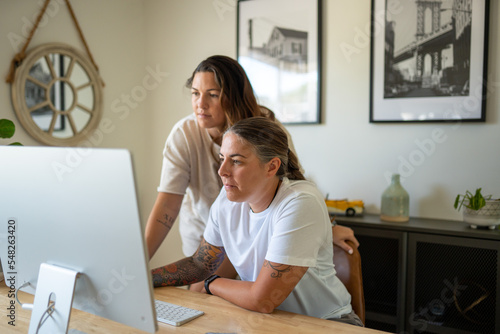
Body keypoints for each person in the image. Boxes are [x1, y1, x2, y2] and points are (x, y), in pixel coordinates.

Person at [145, 55, 359, 291]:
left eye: (212, 95)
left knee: (211, 290)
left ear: (233, 96)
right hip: (205, 239)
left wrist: (324, 226)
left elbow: (294, 185)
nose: (200, 104)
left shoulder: (267, 131)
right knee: (200, 293)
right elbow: (167, 205)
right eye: (195, 93)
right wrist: (139, 265)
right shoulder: (184, 135)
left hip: (257, 240)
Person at [151, 117, 363, 326]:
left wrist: (211, 283)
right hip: (268, 322)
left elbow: (263, 299)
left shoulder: (299, 202)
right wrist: (147, 278)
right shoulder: (226, 201)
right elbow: (200, 264)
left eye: (236, 161)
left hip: (327, 323)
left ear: (271, 167)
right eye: (221, 157)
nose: (222, 170)